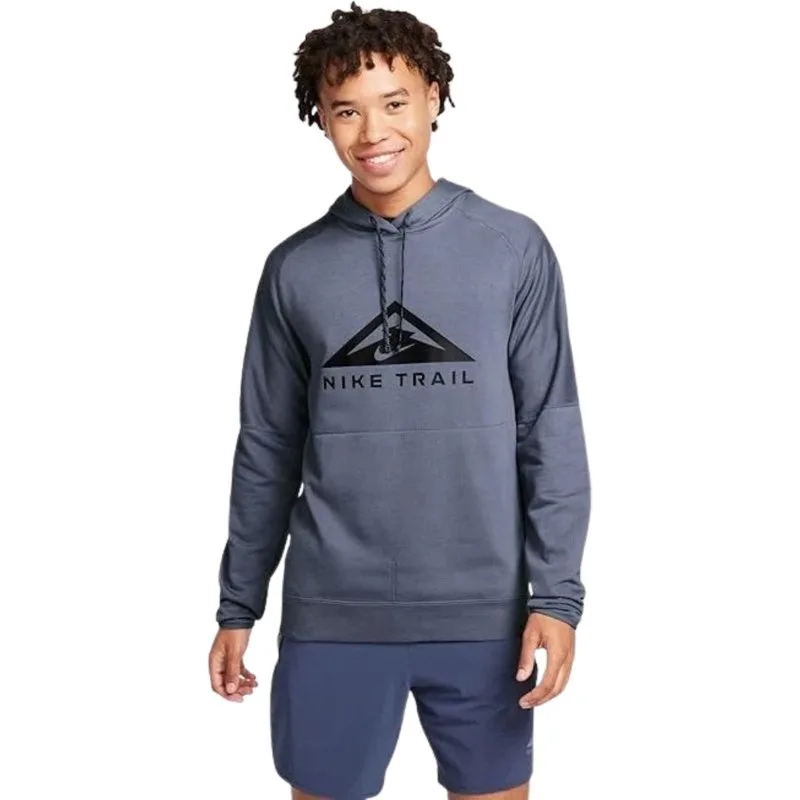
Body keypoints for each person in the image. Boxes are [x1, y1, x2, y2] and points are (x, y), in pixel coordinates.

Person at [208, 3, 591, 798]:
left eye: (394, 102)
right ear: (321, 118)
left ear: (433, 99)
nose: (373, 131)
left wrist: (556, 596)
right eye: (346, 110)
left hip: (483, 614)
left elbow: (548, 428)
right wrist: (238, 605)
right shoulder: (295, 268)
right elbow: (267, 447)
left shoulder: (511, 248)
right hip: (332, 615)